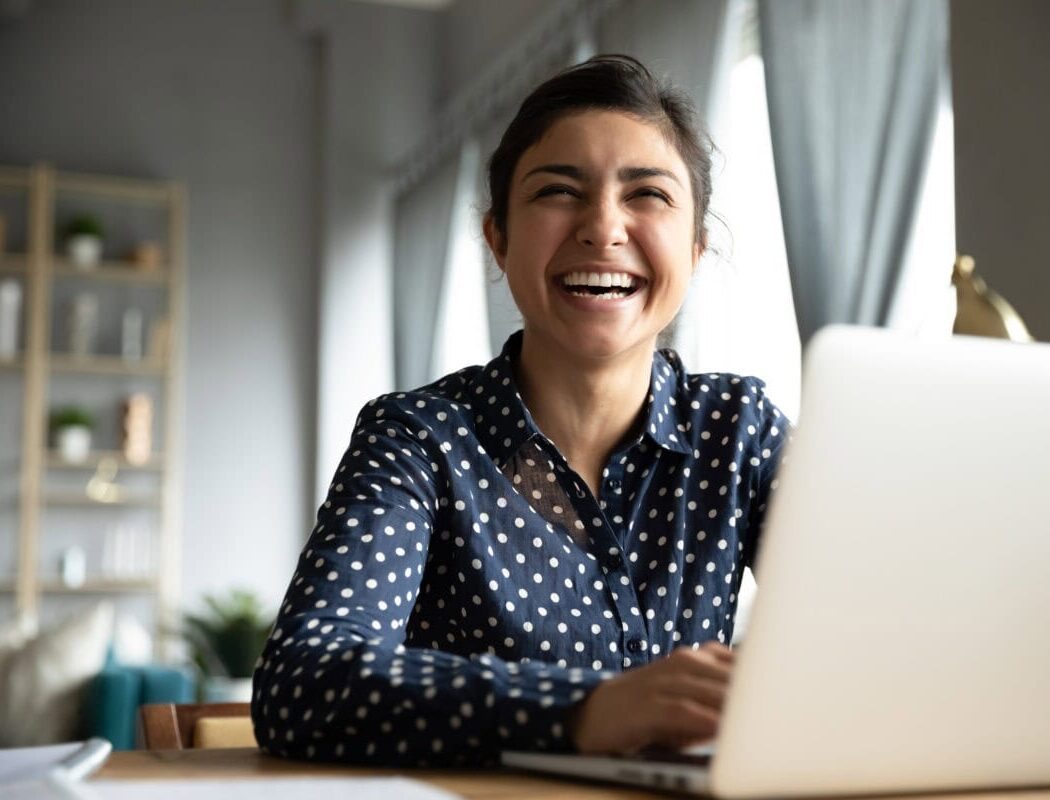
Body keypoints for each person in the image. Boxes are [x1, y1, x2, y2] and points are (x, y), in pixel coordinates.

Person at [252, 54, 789, 767]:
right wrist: (584, 709)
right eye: (559, 191)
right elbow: (302, 683)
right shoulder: (417, 438)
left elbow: (866, 634)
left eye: (648, 194)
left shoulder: (741, 429)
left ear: (695, 250)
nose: (603, 228)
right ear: (497, 240)